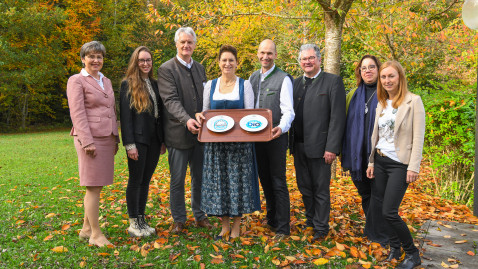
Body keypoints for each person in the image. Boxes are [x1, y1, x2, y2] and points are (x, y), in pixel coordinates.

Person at [195, 45, 261, 239]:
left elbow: (250, 114)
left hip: (239, 145)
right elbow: (205, 112)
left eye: (231, 60)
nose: (227, 63)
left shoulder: (245, 85)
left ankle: (237, 226)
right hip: (216, 145)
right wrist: (199, 116)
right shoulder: (210, 85)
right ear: (219, 63)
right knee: (221, 184)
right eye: (224, 60)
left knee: (238, 183)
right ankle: (224, 226)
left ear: (237, 63)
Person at [366, 61, 425, 269]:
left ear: (400, 77)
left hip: (400, 164)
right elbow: (376, 135)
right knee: (381, 208)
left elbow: (418, 137)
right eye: (383, 77)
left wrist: (413, 167)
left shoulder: (413, 101)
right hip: (380, 160)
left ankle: (412, 253)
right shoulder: (381, 102)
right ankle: (395, 248)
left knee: (389, 211)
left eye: (391, 76)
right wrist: (372, 160)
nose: (387, 80)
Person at [289, 44, 346, 242]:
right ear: (300, 62)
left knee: (320, 188)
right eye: (304, 59)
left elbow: (337, 118)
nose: (307, 61)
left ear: (319, 60)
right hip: (298, 145)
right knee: (304, 186)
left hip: (322, 147)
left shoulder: (333, 82)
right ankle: (311, 219)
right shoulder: (295, 83)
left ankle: (321, 227)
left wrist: (332, 147)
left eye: (311, 58)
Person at [157, 27, 211, 233]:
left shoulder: (200, 68)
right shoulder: (166, 69)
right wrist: (187, 119)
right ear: (176, 44)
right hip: (178, 134)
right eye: (183, 42)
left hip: (200, 135)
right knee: (177, 179)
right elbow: (170, 100)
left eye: (190, 42)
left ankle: (200, 215)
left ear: (195, 45)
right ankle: (179, 219)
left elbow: (205, 99)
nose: (186, 45)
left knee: (199, 178)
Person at [67, 41, 119, 247]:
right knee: (92, 186)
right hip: (89, 139)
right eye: (91, 56)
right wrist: (86, 141)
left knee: (97, 185)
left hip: (107, 137)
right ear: (83, 58)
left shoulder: (105, 81)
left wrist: (115, 137)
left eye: (99, 56)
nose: (96, 60)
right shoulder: (76, 80)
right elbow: (77, 113)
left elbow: (111, 110)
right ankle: (96, 235)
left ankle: (86, 228)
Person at [249, 39, 294, 239]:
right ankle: (272, 219)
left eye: (269, 53)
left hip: (276, 138)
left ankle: (283, 227)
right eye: (262, 53)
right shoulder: (251, 79)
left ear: (275, 55)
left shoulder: (283, 79)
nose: (265, 57)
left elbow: (289, 112)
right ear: (257, 54)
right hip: (256, 139)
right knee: (265, 180)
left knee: (278, 181)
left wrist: (281, 128)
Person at [341, 55, 389, 246]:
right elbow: (344, 124)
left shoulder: (387, 93)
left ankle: (378, 234)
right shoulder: (352, 95)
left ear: (378, 69)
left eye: (371, 67)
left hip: (379, 155)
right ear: (359, 72)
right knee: (366, 193)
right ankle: (374, 229)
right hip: (356, 155)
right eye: (363, 68)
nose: (367, 70)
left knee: (379, 195)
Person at [120, 46, 166, 237]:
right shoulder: (128, 84)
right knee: (135, 180)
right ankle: (133, 223)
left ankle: (141, 219)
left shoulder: (155, 84)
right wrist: (129, 144)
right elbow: (125, 117)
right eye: (141, 60)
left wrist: (163, 140)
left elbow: (160, 114)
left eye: (148, 60)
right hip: (137, 141)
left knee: (146, 181)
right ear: (135, 62)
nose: (145, 63)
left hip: (154, 140)